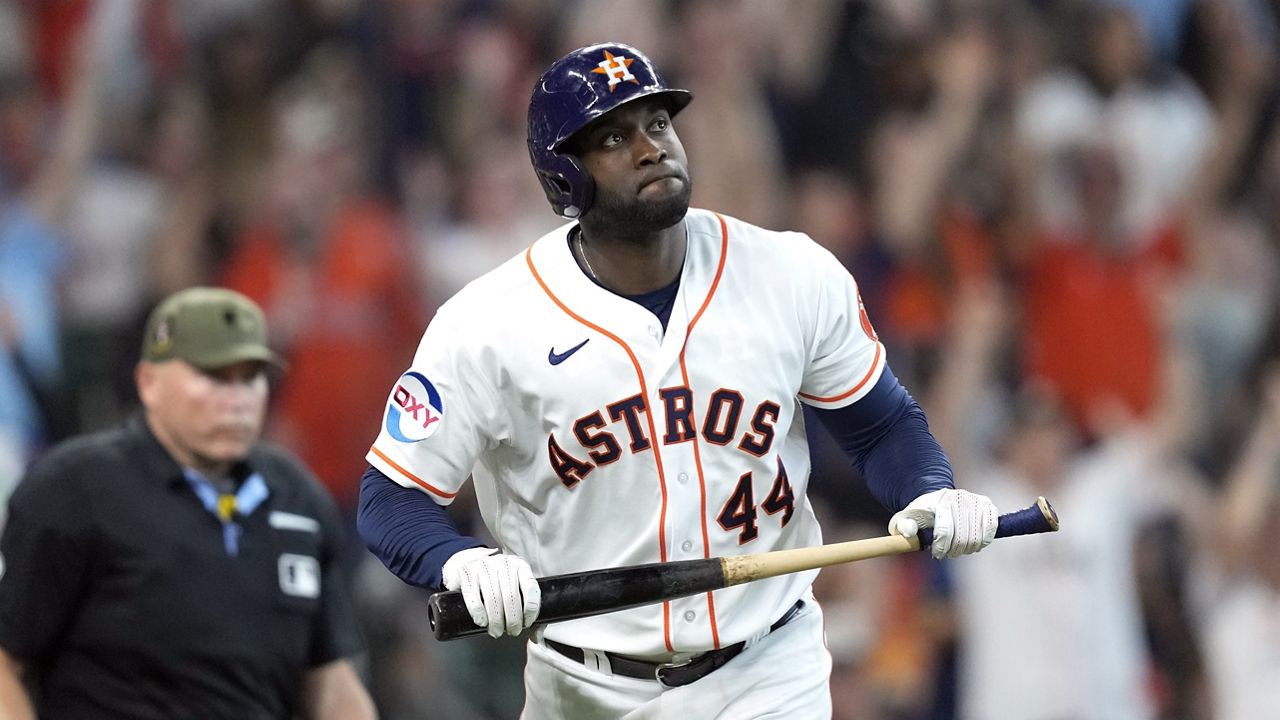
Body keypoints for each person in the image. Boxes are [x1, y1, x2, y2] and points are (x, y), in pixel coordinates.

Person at [357, 42, 999, 719]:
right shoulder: (487, 325)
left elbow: (883, 426)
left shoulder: (790, 273)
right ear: (563, 178)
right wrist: (462, 562)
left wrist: (930, 491)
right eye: (613, 136)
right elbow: (389, 497)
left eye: (658, 124)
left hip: (771, 669)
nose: (649, 148)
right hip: (589, 688)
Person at [0, 287, 377, 720]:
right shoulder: (76, 488)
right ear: (149, 382)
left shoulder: (298, 496)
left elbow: (330, 679)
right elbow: (5, 660)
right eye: (214, 376)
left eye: (251, 376)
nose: (237, 398)